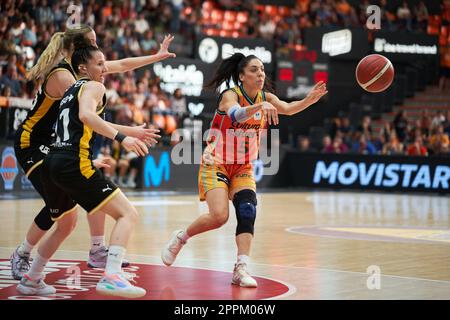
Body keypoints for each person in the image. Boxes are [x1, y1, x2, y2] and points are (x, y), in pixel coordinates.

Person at [11, 25, 175, 280]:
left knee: (85, 188)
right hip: (32, 142)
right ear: (79, 52)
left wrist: (156, 56)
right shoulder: (67, 77)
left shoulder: (86, 72)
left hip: (59, 142)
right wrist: (126, 133)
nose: (100, 53)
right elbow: (86, 117)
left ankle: (96, 251)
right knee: (61, 208)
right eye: (92, 43)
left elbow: (122, 64)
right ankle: (23, 254)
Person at [161, 53, 327, 287]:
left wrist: (309, 99)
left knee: (248, 211)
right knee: (219, 216)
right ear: (241, 76)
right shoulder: (230, 95)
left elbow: (288, 109)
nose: (260, 74)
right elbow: (236, 114)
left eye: (262, 70)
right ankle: (181, 238)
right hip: (216, 161)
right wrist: (261, 106)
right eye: (254, 70)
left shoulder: (266, 97)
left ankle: (241, 268)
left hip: (243, 167)